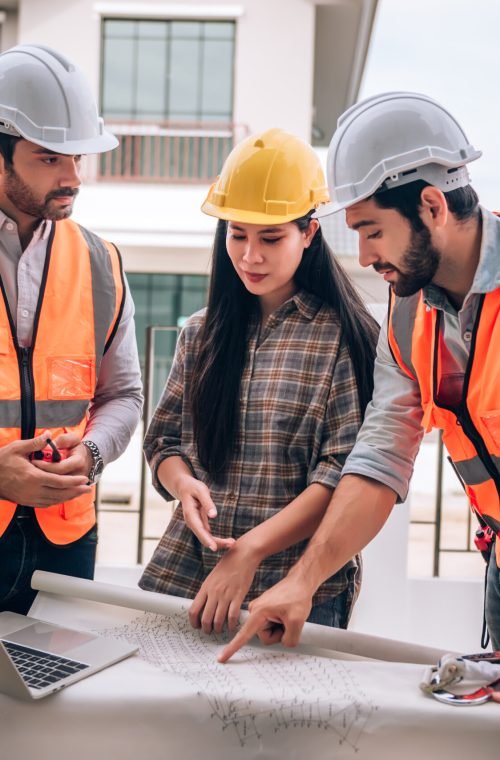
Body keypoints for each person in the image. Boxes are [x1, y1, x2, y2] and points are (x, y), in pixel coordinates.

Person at [219, 91, 500, 663]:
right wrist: (303, 579)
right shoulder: (404, 315)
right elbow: (378, 459)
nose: (366, 257)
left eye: (372, 231)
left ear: (431, 206)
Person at [139, 128, 379, 634]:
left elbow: (340, 475)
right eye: (237, 235)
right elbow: (163, 441)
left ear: (310, 233)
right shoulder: (201, 333)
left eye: (271, 238)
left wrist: (250, 550)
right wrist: (184, 487)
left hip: (295, 589)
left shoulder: (344, 339)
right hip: (192, 576)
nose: (250, 256)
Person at [0, 44, 143, 614]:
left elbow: (123, 395)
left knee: (57, 692)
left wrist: (94, 450)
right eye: (49, 158)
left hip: (66, 542)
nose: (72, 177)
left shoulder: (100, 262)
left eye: (77, 158)